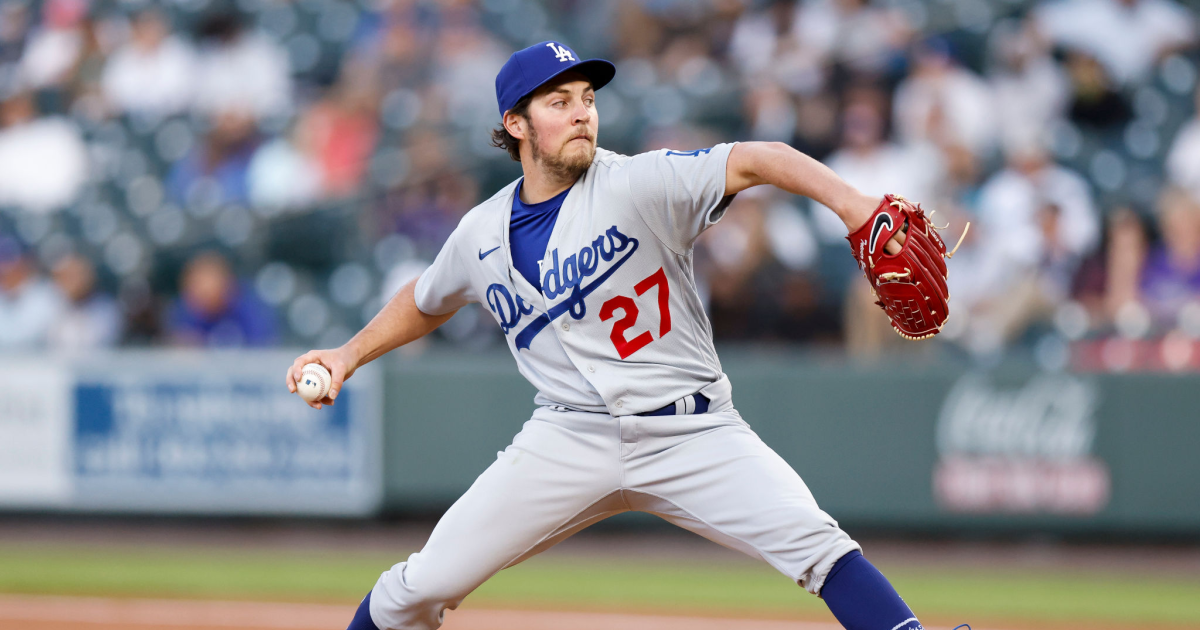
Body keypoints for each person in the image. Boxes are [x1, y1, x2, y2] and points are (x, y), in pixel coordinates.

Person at [285, 42, 965, 630]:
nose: (581, 110)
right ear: (515, 123)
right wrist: (347, 355)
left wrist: (853, 206)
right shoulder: (479, 234)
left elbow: (758, 157)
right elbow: (427, 301)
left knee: (817, 546)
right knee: (420, 586)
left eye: (586, 97)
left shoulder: (640, 182)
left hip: (694, 432)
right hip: (567, 437)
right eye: (558, 101)